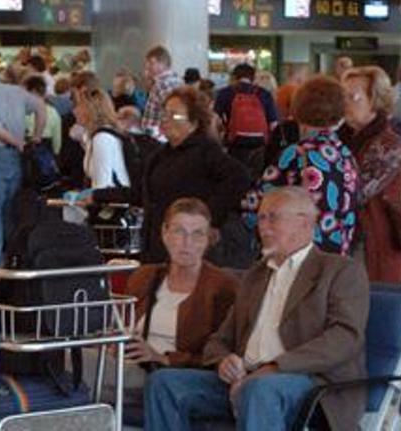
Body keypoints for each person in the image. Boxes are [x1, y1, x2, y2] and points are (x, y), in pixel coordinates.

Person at [145, 186, 368, 431]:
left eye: (273, 217)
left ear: (304, 223)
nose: (263, 226)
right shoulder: (256, 275)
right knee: (164, 383)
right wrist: (223, 361)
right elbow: (220, 340)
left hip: (310, 382)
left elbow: (345, 339)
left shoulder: (338, 270)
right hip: (247, 379)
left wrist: (274, 368)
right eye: (261, 217)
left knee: (260, 390)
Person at [96, 86, 250, 264]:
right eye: (164, 114)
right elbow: (141, 192)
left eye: (174, 115)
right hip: (157, 245)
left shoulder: (206, 151)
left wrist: (209, 219)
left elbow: (239, 178)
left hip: (188, 249)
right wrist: (97, 195)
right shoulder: (161, 155)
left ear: (194, 122)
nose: (166, 120)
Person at [118, 198, 239, 419]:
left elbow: (219, 352)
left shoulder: (222, 286)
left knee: (75, 376)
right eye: (179, 231)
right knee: (65, 358)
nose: (187, 242)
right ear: (165, 233)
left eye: (197, 234)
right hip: (127, 361)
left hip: (166, 371)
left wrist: (162, 357)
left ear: (208, 239)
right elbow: (122, 324)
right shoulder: (145, 276)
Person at [244, 75, 359, 256]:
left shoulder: (296, 154)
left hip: (301, 256)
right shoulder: (345, 154)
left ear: (299, 107)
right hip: (337, 258)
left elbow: (257, 204)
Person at [0, 60, 46, 267]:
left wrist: (18, 143)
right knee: (10, 208)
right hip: (17, 159)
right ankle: (13, 258)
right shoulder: (17, 92)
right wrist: (36, 136)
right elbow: (41, 107)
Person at [340, 66, 401, 281]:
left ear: (375, 100)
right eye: (342, 96)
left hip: (375, 248)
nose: (344, 102)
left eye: (353, 96)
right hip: (355, 242)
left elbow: (354, 193)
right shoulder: (346, 139)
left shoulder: (388, 146)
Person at [214, 64, 279, 178]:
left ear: (234, 77)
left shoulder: (225, 93)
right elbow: (274, 124)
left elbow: (215, 119)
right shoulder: (264, 94)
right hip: (259, 146)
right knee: (256, 176)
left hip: (235, 145)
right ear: (253, 78)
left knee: (235, 176)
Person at [73, 84, 129, 190]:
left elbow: (103, 186)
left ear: (89, 109)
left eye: (78, 106)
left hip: (114, 202)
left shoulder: (102, 138)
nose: (74, 111)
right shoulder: (94, 136)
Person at [141, 46, 183, 138]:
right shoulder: (176, 81)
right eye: (147, 63)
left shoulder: (163, 84)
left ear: (163, 63)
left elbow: (175, 114)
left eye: (152, 63)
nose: (148, 67)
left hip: (158, 138)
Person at [24, 75, 62, 155]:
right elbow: (57, 141)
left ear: (32, 91)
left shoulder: (24, 111)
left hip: (26, 150)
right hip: (46, 153)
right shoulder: (53, 112)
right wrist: (56, 152)